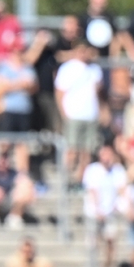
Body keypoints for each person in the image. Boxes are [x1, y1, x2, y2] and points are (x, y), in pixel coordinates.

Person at [55, 41, 105, 181]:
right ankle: (66, 179)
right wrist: (64, 113)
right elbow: (60, 93)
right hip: (74, 114)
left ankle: (81, 179)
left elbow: (98, 93)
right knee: (71, 148)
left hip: (90, 115)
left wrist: (101, 110)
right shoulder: (67, 68)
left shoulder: (94, 69)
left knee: (86, 150)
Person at [84, 142, 128, 267]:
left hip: (110, 213)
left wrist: (120, 206)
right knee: (94, 242)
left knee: (111, 241)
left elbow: (122, 189)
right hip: (94, 213)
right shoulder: (92, 170)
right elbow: (92, 191)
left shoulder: (118, 170)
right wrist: (98, 210)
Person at [0, 46, 37, 137]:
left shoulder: (27, 68)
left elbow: (32, 87)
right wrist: (20, 84)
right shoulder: (3, 68)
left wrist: (10, 84)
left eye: (20, 52)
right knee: (5, 139)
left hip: (24, 109)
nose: (17, 55)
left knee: (22, 140)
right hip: (7, 109)